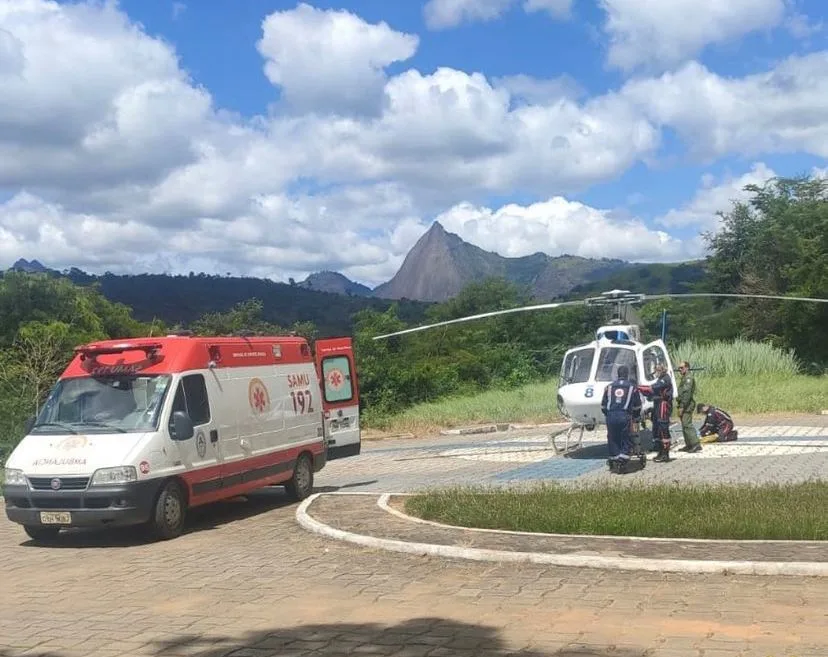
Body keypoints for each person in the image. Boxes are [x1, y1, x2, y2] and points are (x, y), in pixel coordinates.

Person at [601, 364, 643, 473]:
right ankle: (622, 461)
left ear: (618, 374)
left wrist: (608, 414)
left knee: (612, 438)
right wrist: (636, 417)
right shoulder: (632, 387)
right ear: (627, 375)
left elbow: (603, 406)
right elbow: (637, 405)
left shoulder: (609, 387)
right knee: (626, 438)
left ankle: (614, 458)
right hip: (624, 415)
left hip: (611, 415)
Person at [646, 363, 674, 462]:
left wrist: (641, 388)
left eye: (657, 370)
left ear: (662, 370)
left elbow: (655, 387)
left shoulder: (665, 379)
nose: (655, 372)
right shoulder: (660, 378)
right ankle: (660, 451)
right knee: (657, 428)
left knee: (663, 428)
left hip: (663, 405)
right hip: (658, 405)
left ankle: (665, 454)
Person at [676, 360, 701, 453]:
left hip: (687, 405)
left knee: (687, 424)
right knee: (684, 425)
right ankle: (689, 444)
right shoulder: (684, 377)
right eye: (679, 368)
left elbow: (686, 394)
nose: (680, 369)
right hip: (683, 404)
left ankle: (695, 444)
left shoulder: (688, 378)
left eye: (682, 368)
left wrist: (682, 406)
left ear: (687, 368)